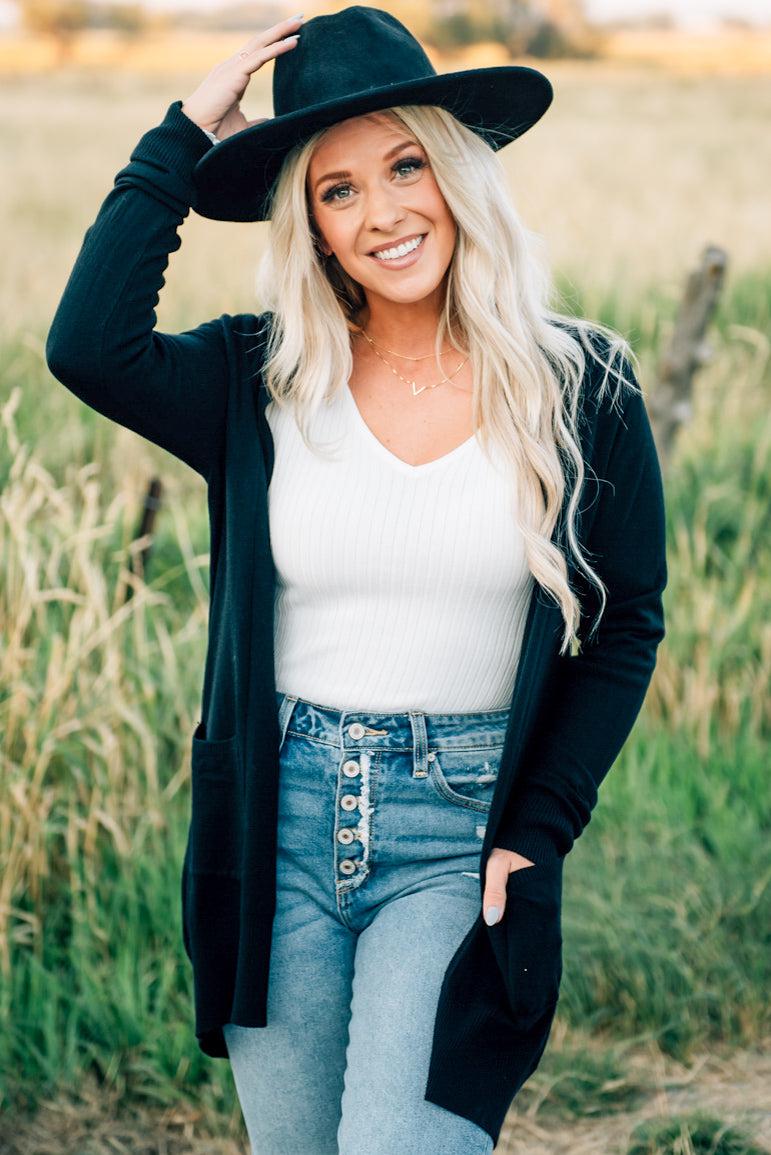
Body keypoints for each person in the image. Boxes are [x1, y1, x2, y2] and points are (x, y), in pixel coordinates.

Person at [45, 6, 668, 1153]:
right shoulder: (260, 378)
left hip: (457, 833)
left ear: (458, 172)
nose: (381, 212)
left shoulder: (582, 384)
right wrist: (184, 133)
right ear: (312, 226)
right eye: (337, 190)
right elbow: (88, 345)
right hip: (276, 830)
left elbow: (627, 620)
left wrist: (541, 825)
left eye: (404, 164)